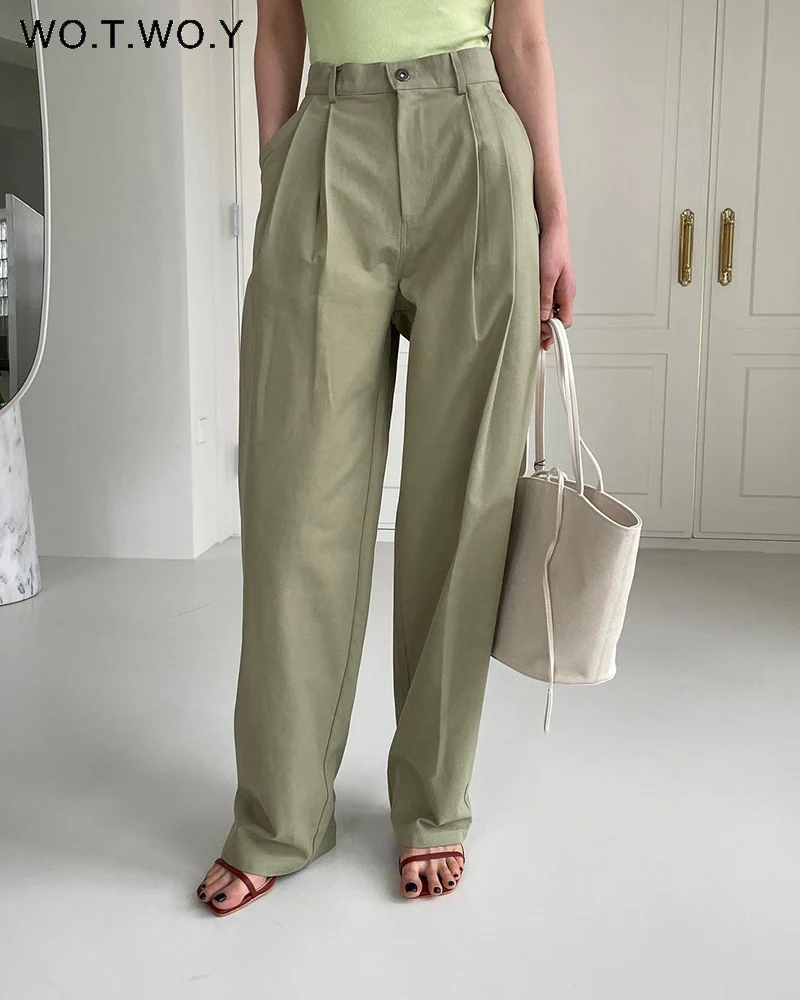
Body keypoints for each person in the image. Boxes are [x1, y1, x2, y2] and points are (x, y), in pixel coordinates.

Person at [196, 0, 575, 915]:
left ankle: (433, 805)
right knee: (294, 508)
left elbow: (521, 34)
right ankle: (280, 816)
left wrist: (555, 214)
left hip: (475, 149)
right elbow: (278, 26)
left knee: (464, 507)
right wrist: (280, 165)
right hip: (331, 141)